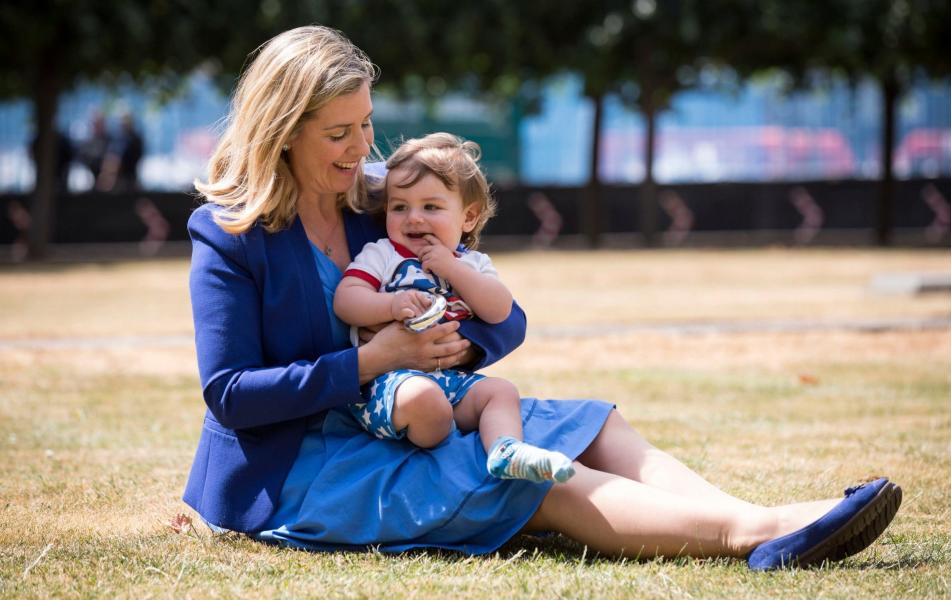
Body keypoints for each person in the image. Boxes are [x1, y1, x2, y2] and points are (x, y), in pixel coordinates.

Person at [185, 25, 902, 569]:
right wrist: (378, 362)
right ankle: (754, 536)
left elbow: (507, 319)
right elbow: (230, 393)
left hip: (419, 404)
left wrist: (456, 343)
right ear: (281, 133)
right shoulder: (229, 234)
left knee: (593, 426)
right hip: (301, 466)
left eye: (366, 123)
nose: (361, 148)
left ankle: (761, 515)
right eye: (338, 133)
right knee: (532, 479)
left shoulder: (378, 198)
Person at [334, 132, 575, 483]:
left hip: (452, 382)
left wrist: (452, 268)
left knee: (501, 391)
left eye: (431, 207)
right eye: (399, 207)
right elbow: (346, 299)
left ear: (469, 217)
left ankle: (506, 450)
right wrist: (390, 304)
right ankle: (440, 452)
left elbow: (500, 311)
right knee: (425, 402)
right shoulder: (382, 253)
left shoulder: (471, 263)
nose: (413, 218)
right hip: (388, 384)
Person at [98, 112, 143, 192]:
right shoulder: (117, 138)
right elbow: (111, 157)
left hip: (129, 179)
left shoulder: (135, 139)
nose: (124, 124)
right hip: (118, 181)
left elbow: (131, 158)